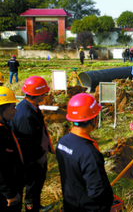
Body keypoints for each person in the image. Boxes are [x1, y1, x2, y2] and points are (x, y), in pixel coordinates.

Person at [56, 93, 113, 211]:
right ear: (93, 119)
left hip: (71, 204)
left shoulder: (62, 142)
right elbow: (98, 190)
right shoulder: (89, 153)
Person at [10, 76, 54, 212]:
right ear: (39, 94)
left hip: (36, 156)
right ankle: (32, 208)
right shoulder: (25, 115)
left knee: (37, 184)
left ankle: (36, 205)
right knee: (32, 185)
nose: (46, 95)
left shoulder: (30, 107)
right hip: (32, 160)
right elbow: (28, 143)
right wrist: (40, 157)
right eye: (45, 93)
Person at [0, 87, 24, 212]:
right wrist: (9, 194)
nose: (16, 110)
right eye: (12, 107)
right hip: (6, 194)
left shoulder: (5, 126)